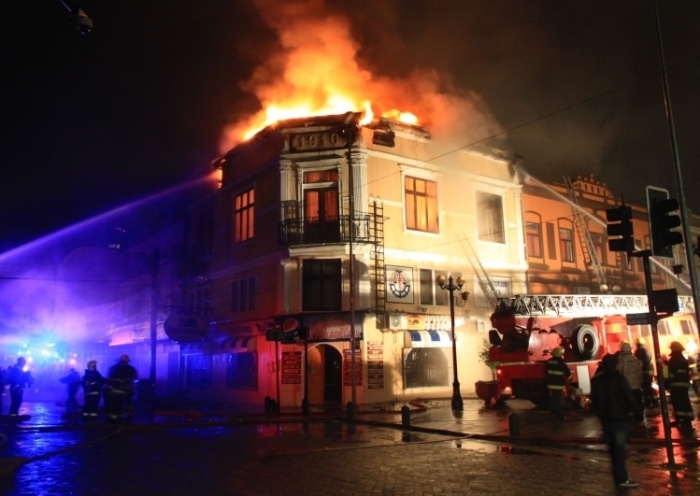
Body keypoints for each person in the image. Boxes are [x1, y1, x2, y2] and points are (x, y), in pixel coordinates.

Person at [590, 353, 642, 489]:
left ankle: (618, 477)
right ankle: (622, 479)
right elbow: (629, 397)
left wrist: (599, 412)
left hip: (605, 419)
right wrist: (638, 414)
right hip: (620, 419)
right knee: (619, 450)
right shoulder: (620, 379)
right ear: (615, 364)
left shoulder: (596, 380)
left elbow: (594, 400)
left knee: (613, 450)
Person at [667, 341, 694, 428]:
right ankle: (688, 418)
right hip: (684, 383)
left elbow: (671, 372)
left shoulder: (673, 359)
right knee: (685, 400)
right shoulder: (683, 359)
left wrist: (666, 381)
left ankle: (680, 419)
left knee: (677, 401)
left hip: (676, 383)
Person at [105, 355, 137, 422]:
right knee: (127, 403)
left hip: (114, 390)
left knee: (115, 403)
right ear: (128, 361)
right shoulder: (130, 369)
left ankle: (114, 418)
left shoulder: (113, 368)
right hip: (126, 390)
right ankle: (126, 417)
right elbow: (134, 378)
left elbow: (109, 378)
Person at [616, 341, 644, 416]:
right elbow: (640, 372)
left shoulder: (621, 360)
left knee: (629, 403)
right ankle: (639, 417)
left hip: (627, 386)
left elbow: (619, 371)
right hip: (636, 385)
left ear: (622, 350)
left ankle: (631, 417)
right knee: (638, 402)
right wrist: (640, 382)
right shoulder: (635, 359)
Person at [545, 346, 571, 420]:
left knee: (553, 398)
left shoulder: (549, 361)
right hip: (558, 384)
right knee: (558, 399)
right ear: (560, 354)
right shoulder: (561, 363)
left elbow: (546, 371)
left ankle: (552, 412)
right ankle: (559, 414)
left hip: (551, 384)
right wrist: (570, 379)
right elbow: (567, 372)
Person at [634, 337, 658, 408]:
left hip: (645, 372)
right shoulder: (646, 350)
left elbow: (639, 362)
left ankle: (650, 402)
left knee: (646, 387)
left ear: (638, 344)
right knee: (648, 386)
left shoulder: (640, 351)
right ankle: (653, 401)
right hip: (649, 371)